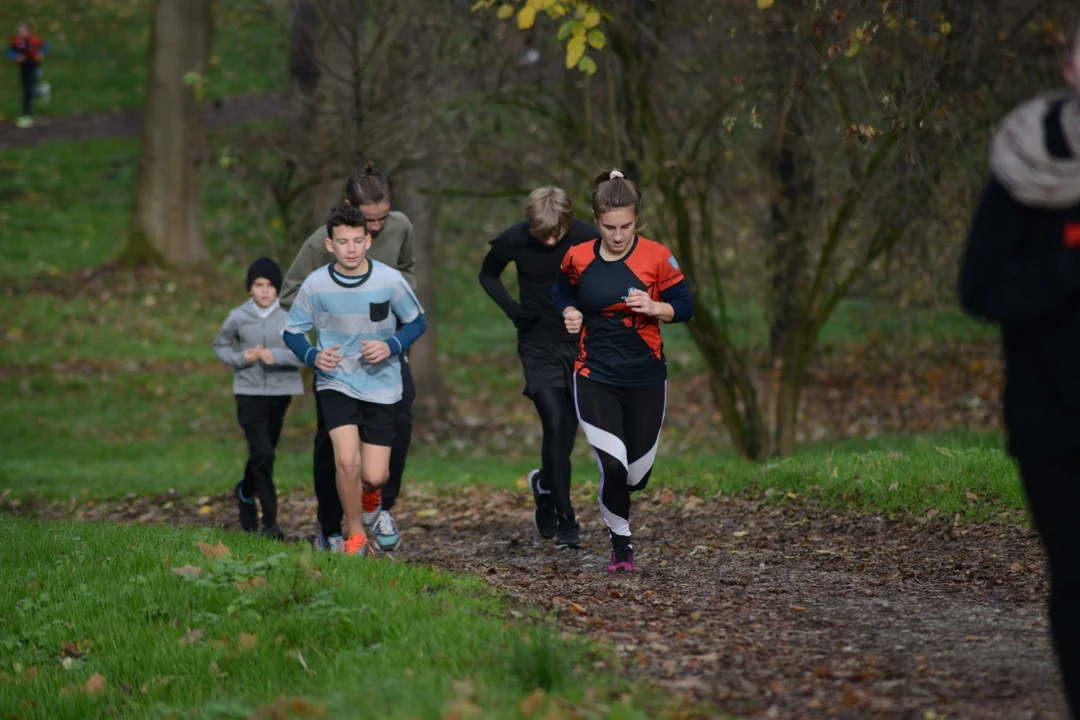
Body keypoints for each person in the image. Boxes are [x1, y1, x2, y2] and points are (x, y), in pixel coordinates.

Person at [958, 23, 1080, 719]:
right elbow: (980, 289)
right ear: (1068, 67)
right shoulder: (1024, 167)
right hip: (1051, 419)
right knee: (1076, 577)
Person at [552, 169, 693, 573]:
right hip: (594, 374)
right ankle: (621, 547)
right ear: (596, 222)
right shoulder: (577, 256)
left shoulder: (657, 256)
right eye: (610, 227)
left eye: (626, 227)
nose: (618, 235)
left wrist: (655, 308)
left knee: (636, 477)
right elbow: (561, 291)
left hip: (646, 377)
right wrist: (570, 311)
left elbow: (684, 305)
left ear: (638, 221)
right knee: (612, 465)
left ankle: (622, 501)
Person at [279, 163, 416, 553]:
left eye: (381, 220)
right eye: (367, 220)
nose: (374, 228)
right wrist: (324, 331)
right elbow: (291, 298)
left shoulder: (402, 226)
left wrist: (392, 311)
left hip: (387, 352)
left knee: (400, 422)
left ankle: (382, 504)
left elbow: (407, 270)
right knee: (335, 447)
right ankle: (331, 526)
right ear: (349, 208)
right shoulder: (319, 244)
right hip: (336, 362)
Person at [478, 187, 598, 549]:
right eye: (541, 234)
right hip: (537, 345)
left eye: (555, 234)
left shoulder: (589, 238)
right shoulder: (514, 239)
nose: (548, 240)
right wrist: (513, 311)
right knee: (555, 422)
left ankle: (546, 485)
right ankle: (567, 520)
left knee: (566, 435)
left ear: (567, 222)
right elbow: (488, 276)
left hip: (580, 343)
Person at [212, 258, 305, 539]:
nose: (264, 291)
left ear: (277, 289)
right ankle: (271, 522)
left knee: (264, 453)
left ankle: (244, 491)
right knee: (264, 453)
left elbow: (304, 354)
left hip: (280, 393)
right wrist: (241, 358)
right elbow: (220, 345)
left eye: (270, 286)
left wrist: (275, 356)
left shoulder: (290, 318)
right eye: (258, 285)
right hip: (248, 392)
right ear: (250, 289)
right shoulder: (238, 317)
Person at [8, 23, 47, 129]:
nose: (21, 33)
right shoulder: (16, 41)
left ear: (29, 31)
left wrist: (41, 54)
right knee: (26, 89)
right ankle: (41, 91)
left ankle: (27, 116)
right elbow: (10, 52)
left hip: (34, 67)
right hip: (23, 68)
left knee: (27, 90)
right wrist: (16, 57)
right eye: (20, 31)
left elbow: (45, 46)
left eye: (23, 31)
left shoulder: (35, 40)